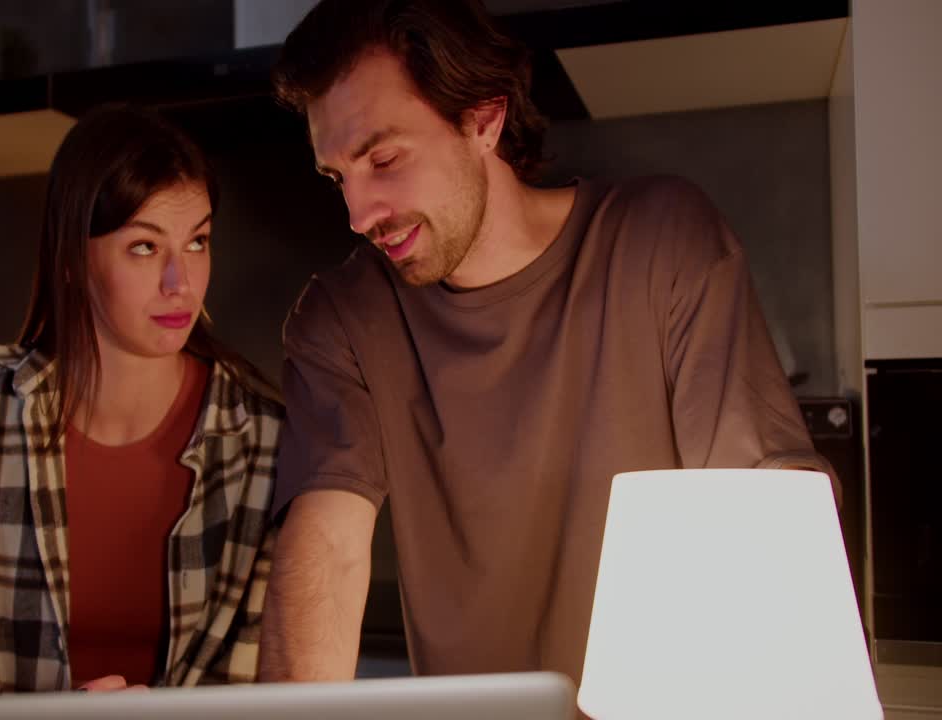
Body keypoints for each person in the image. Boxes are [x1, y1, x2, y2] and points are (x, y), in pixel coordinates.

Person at [258, 0, 835, 690]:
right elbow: (326, 548)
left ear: (483, 119)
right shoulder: (342, 318)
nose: (358, 215)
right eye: (337, 178)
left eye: (383, 158)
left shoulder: (660, 241)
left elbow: (761, 498)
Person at [0, 104, 283, 718]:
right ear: (73, 260)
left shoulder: (265, 445)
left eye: (198, 241)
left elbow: (272, 691)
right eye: (144, 246)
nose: (181, 280)